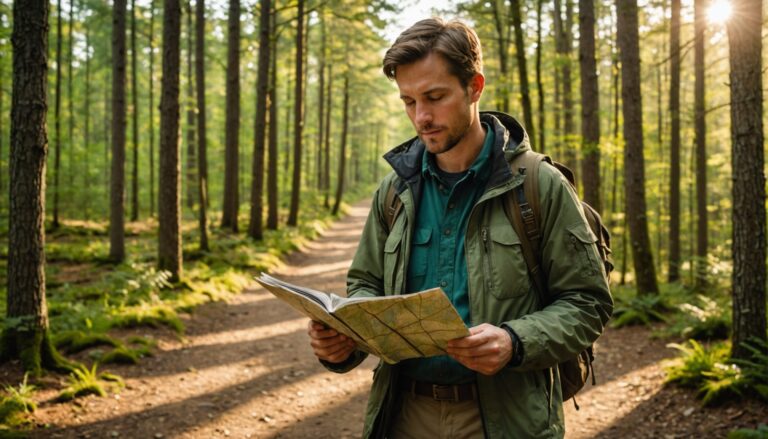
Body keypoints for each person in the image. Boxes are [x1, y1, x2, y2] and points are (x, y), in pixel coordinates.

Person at [307, 17, 613, 439]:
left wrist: (514, 340)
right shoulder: (394, 191)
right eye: (409, 101)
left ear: (474, 87)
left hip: (508, 419)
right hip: (403, 414)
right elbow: (365, 285)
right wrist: (347, 339)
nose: (421, 116)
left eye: (435, 97)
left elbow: (588, 302)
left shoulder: (539, 186)